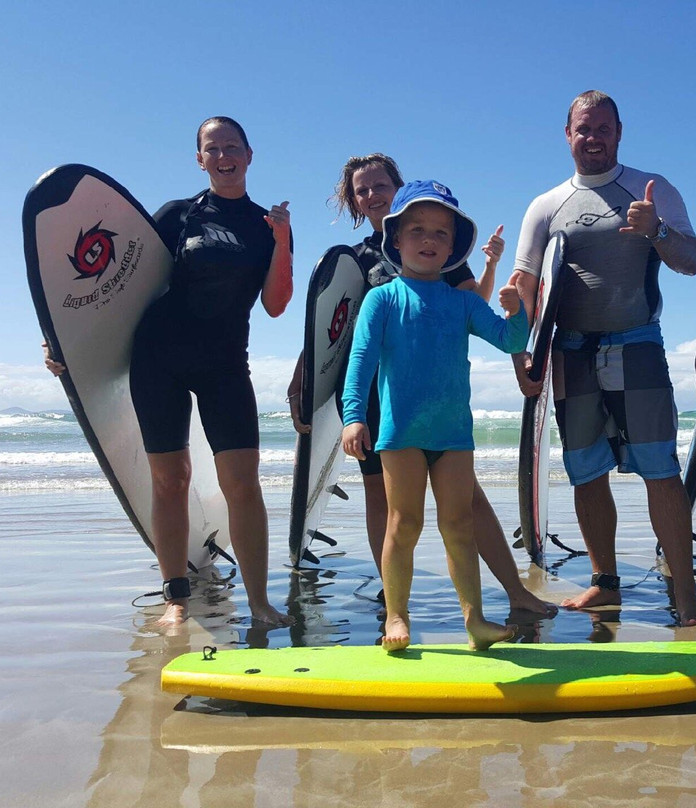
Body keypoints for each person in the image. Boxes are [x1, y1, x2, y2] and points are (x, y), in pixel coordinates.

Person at [46, 117, 294, 627]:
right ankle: (175, 597)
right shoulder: (177, 215)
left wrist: (284, 240)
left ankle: (259, 602)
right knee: (169, 479)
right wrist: (69, 341)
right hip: (159, 357)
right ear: (199, 159)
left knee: (242, 483)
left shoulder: (264, 225)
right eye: (212, 148)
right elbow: (116, 282)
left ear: (250, 155)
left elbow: (275, 305)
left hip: (225, 362)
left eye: (232, 146)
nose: (223, 155)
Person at [287, 153, 555, 617]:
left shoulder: (435, 236)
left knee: (464, 509)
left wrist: (518, 337)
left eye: (379, 185)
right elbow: (334, 328)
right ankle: (393, 603)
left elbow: (476, 313)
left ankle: (510, 593)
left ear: (397, 187)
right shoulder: (360, 261)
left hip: (443, 407)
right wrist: (306, 378)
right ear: (354, 199)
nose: (371, 194)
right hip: (381, 402)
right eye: (362, 189)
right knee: (393, 511)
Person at [510, 90, 696, 626]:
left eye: (603, 128)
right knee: (585, 472)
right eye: (583, 128)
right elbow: (527, 288)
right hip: (570, 353)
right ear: (567, 133)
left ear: (619, 132)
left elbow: (692, 261)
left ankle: (686, 593)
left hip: (637, 343)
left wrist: (658, 231)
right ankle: (604, 582)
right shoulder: (546, 205)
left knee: (659, 469)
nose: (593, 137)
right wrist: (520, 353)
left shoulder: (651, 189)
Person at [340, 180, 527, 651]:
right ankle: (397, 617)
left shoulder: (463, 301)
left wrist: (518, 312)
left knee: (459, 525)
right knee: (404, 523)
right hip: (400, 433)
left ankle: (476, 621)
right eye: (417, 230)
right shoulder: (381, 299)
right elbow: (360, 360)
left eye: (441, 234)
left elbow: (508, 340)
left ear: (452, 247)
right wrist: (353, 417)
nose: (429, 240)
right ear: (396, 240)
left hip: (453, 434)